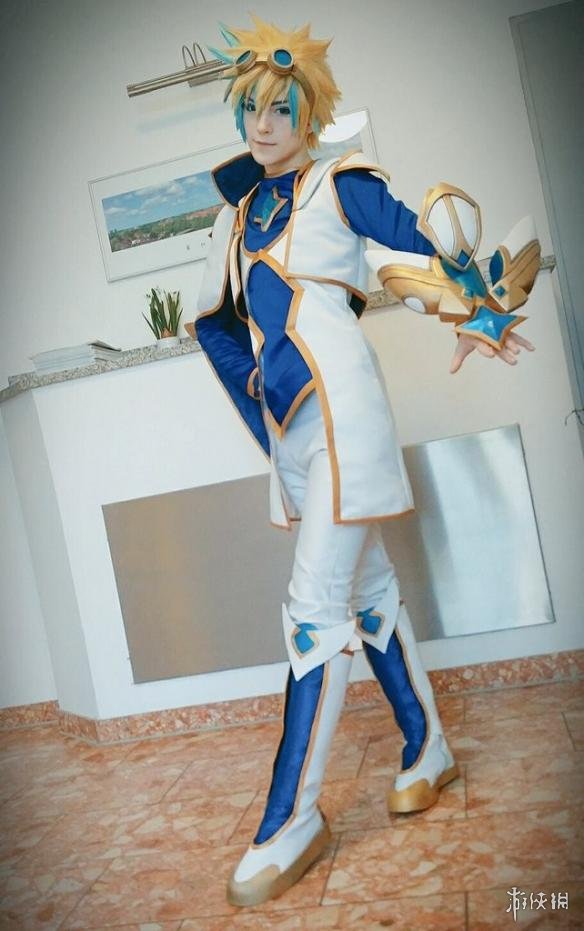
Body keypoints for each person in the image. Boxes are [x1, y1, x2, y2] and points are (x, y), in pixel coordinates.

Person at [194, 15, 538, 908]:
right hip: (293, 430)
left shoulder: (338, 183)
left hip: (345, 411)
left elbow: (421, 242)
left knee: (313, 608)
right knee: (369, 587)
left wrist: (481, 307)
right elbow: (217, 324)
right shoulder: (239, 215)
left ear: (308, 113)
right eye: (251, 108)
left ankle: (292, 817)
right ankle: (428, 745)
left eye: (281, 107)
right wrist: (261, 400)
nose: (263, 123)